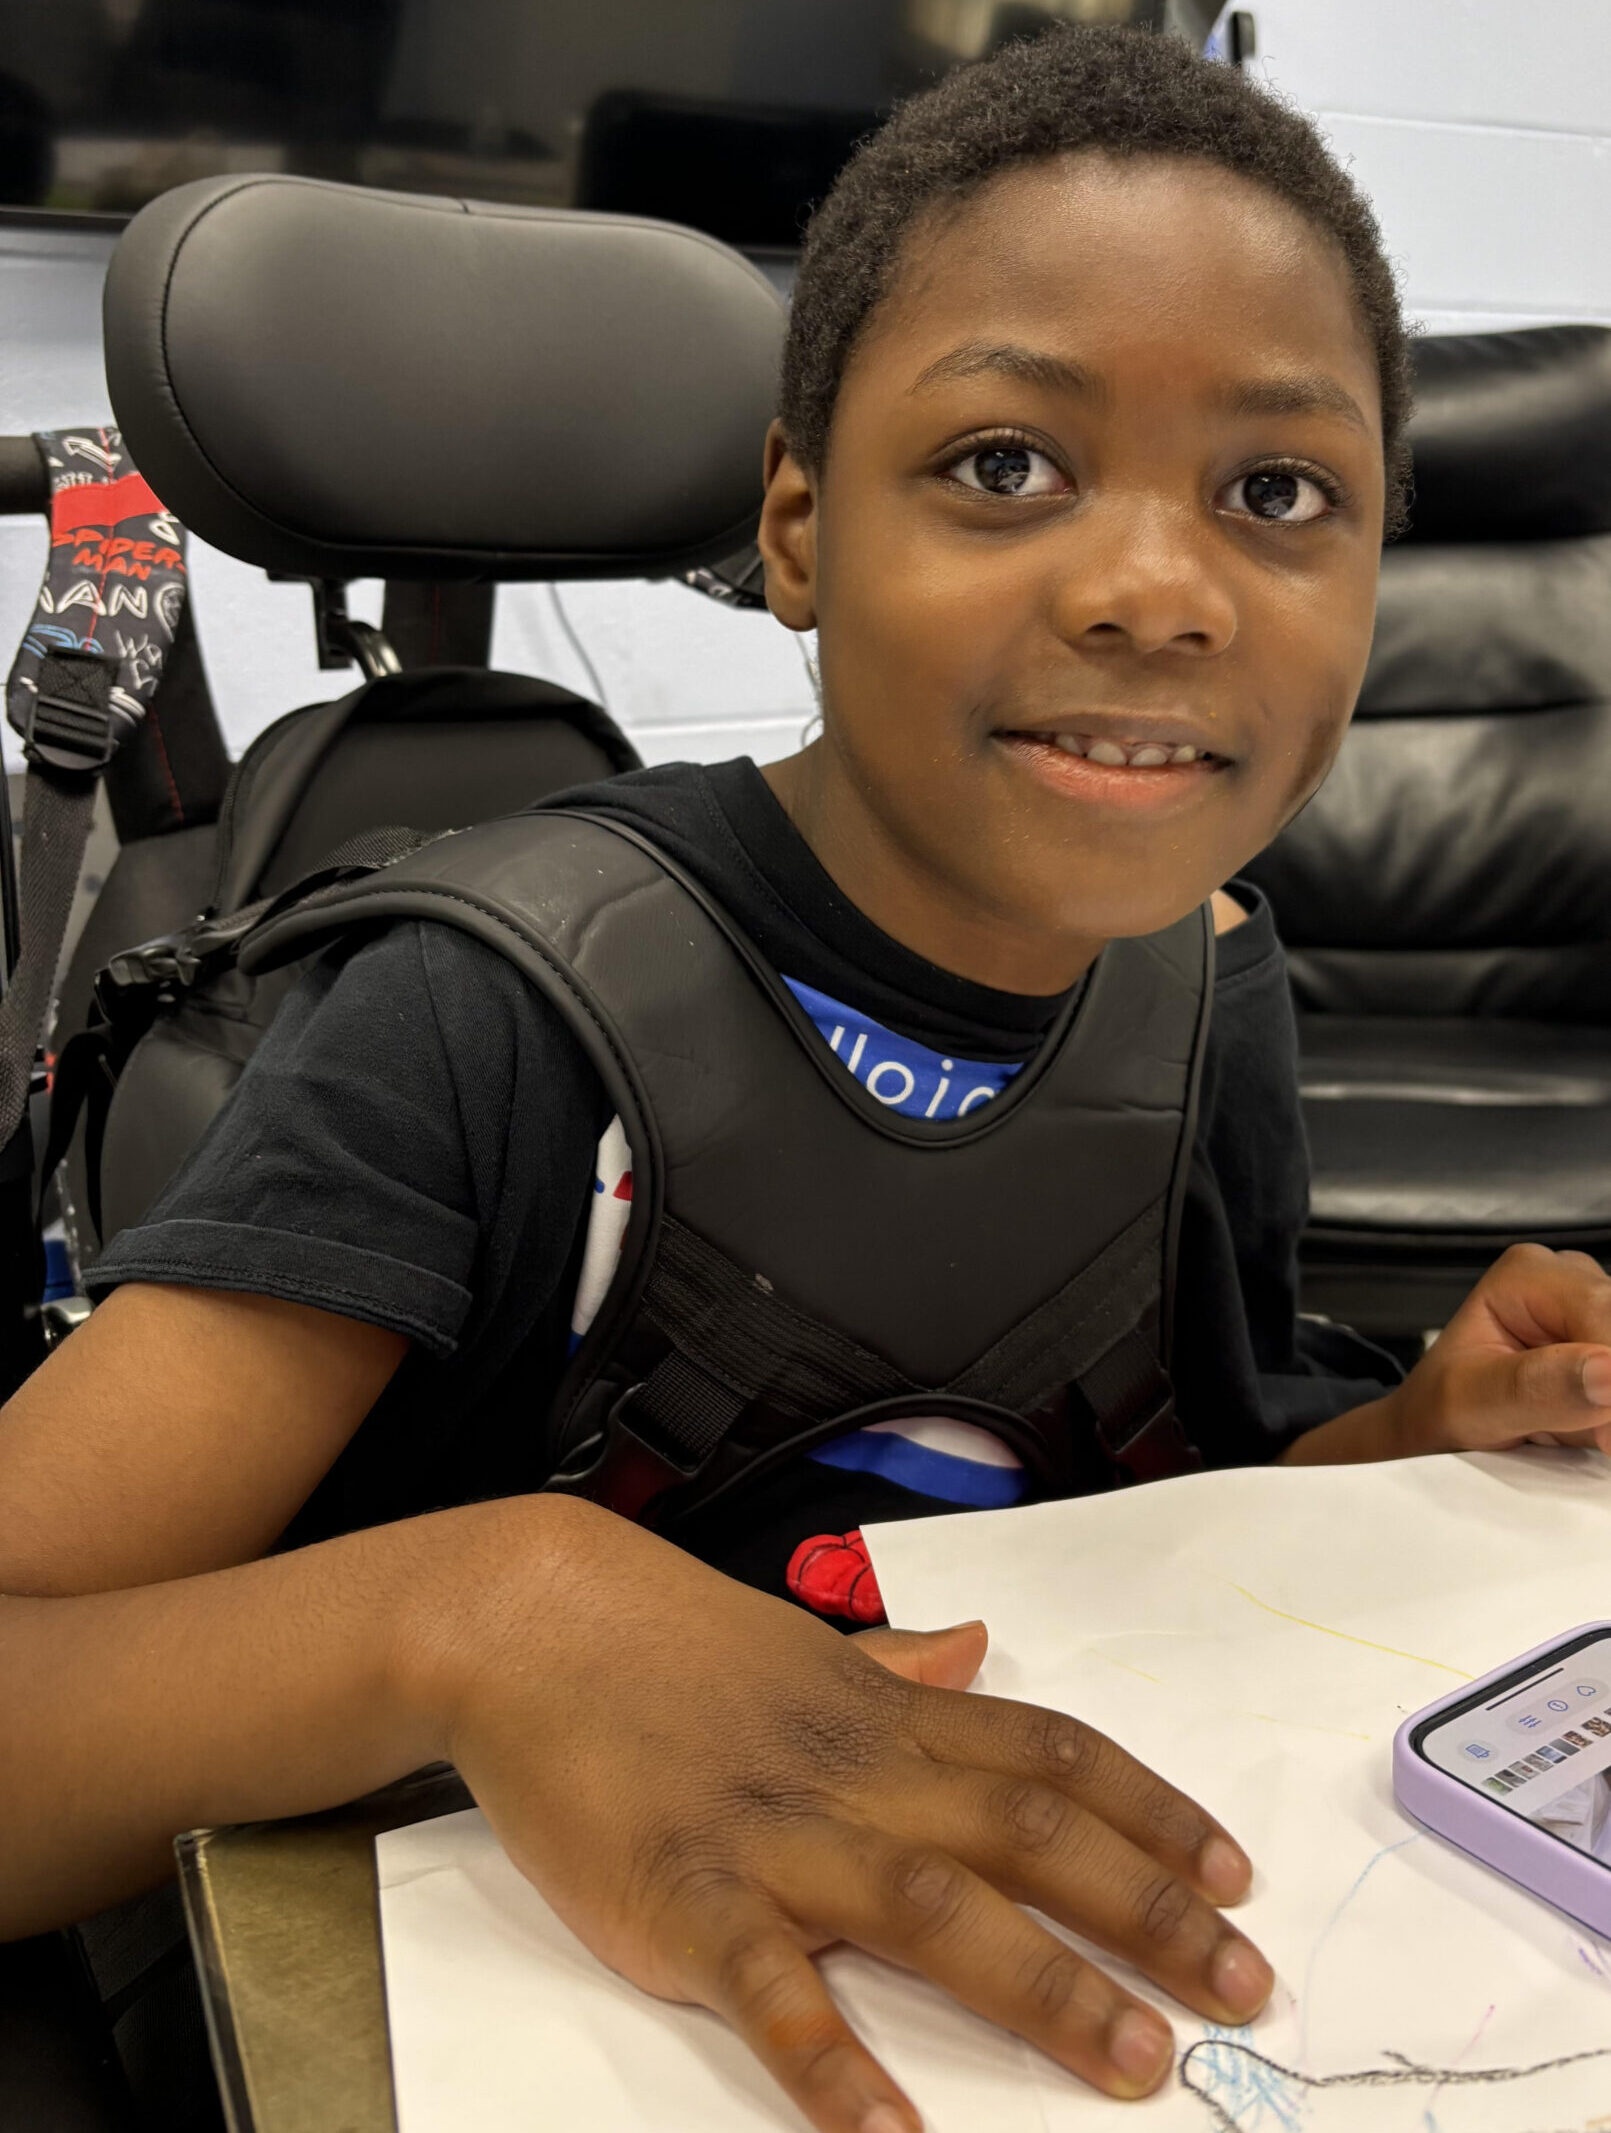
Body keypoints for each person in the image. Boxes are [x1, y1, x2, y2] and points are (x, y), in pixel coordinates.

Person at [5, 27, 1611, 2133]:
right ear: (796, 526)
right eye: (1005, 465)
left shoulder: (1207, 989)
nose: (1155, 591)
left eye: (1278, 492)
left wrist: (1413, 1435)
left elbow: (1154, 1518)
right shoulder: (483, 1018)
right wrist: (480, 1614)